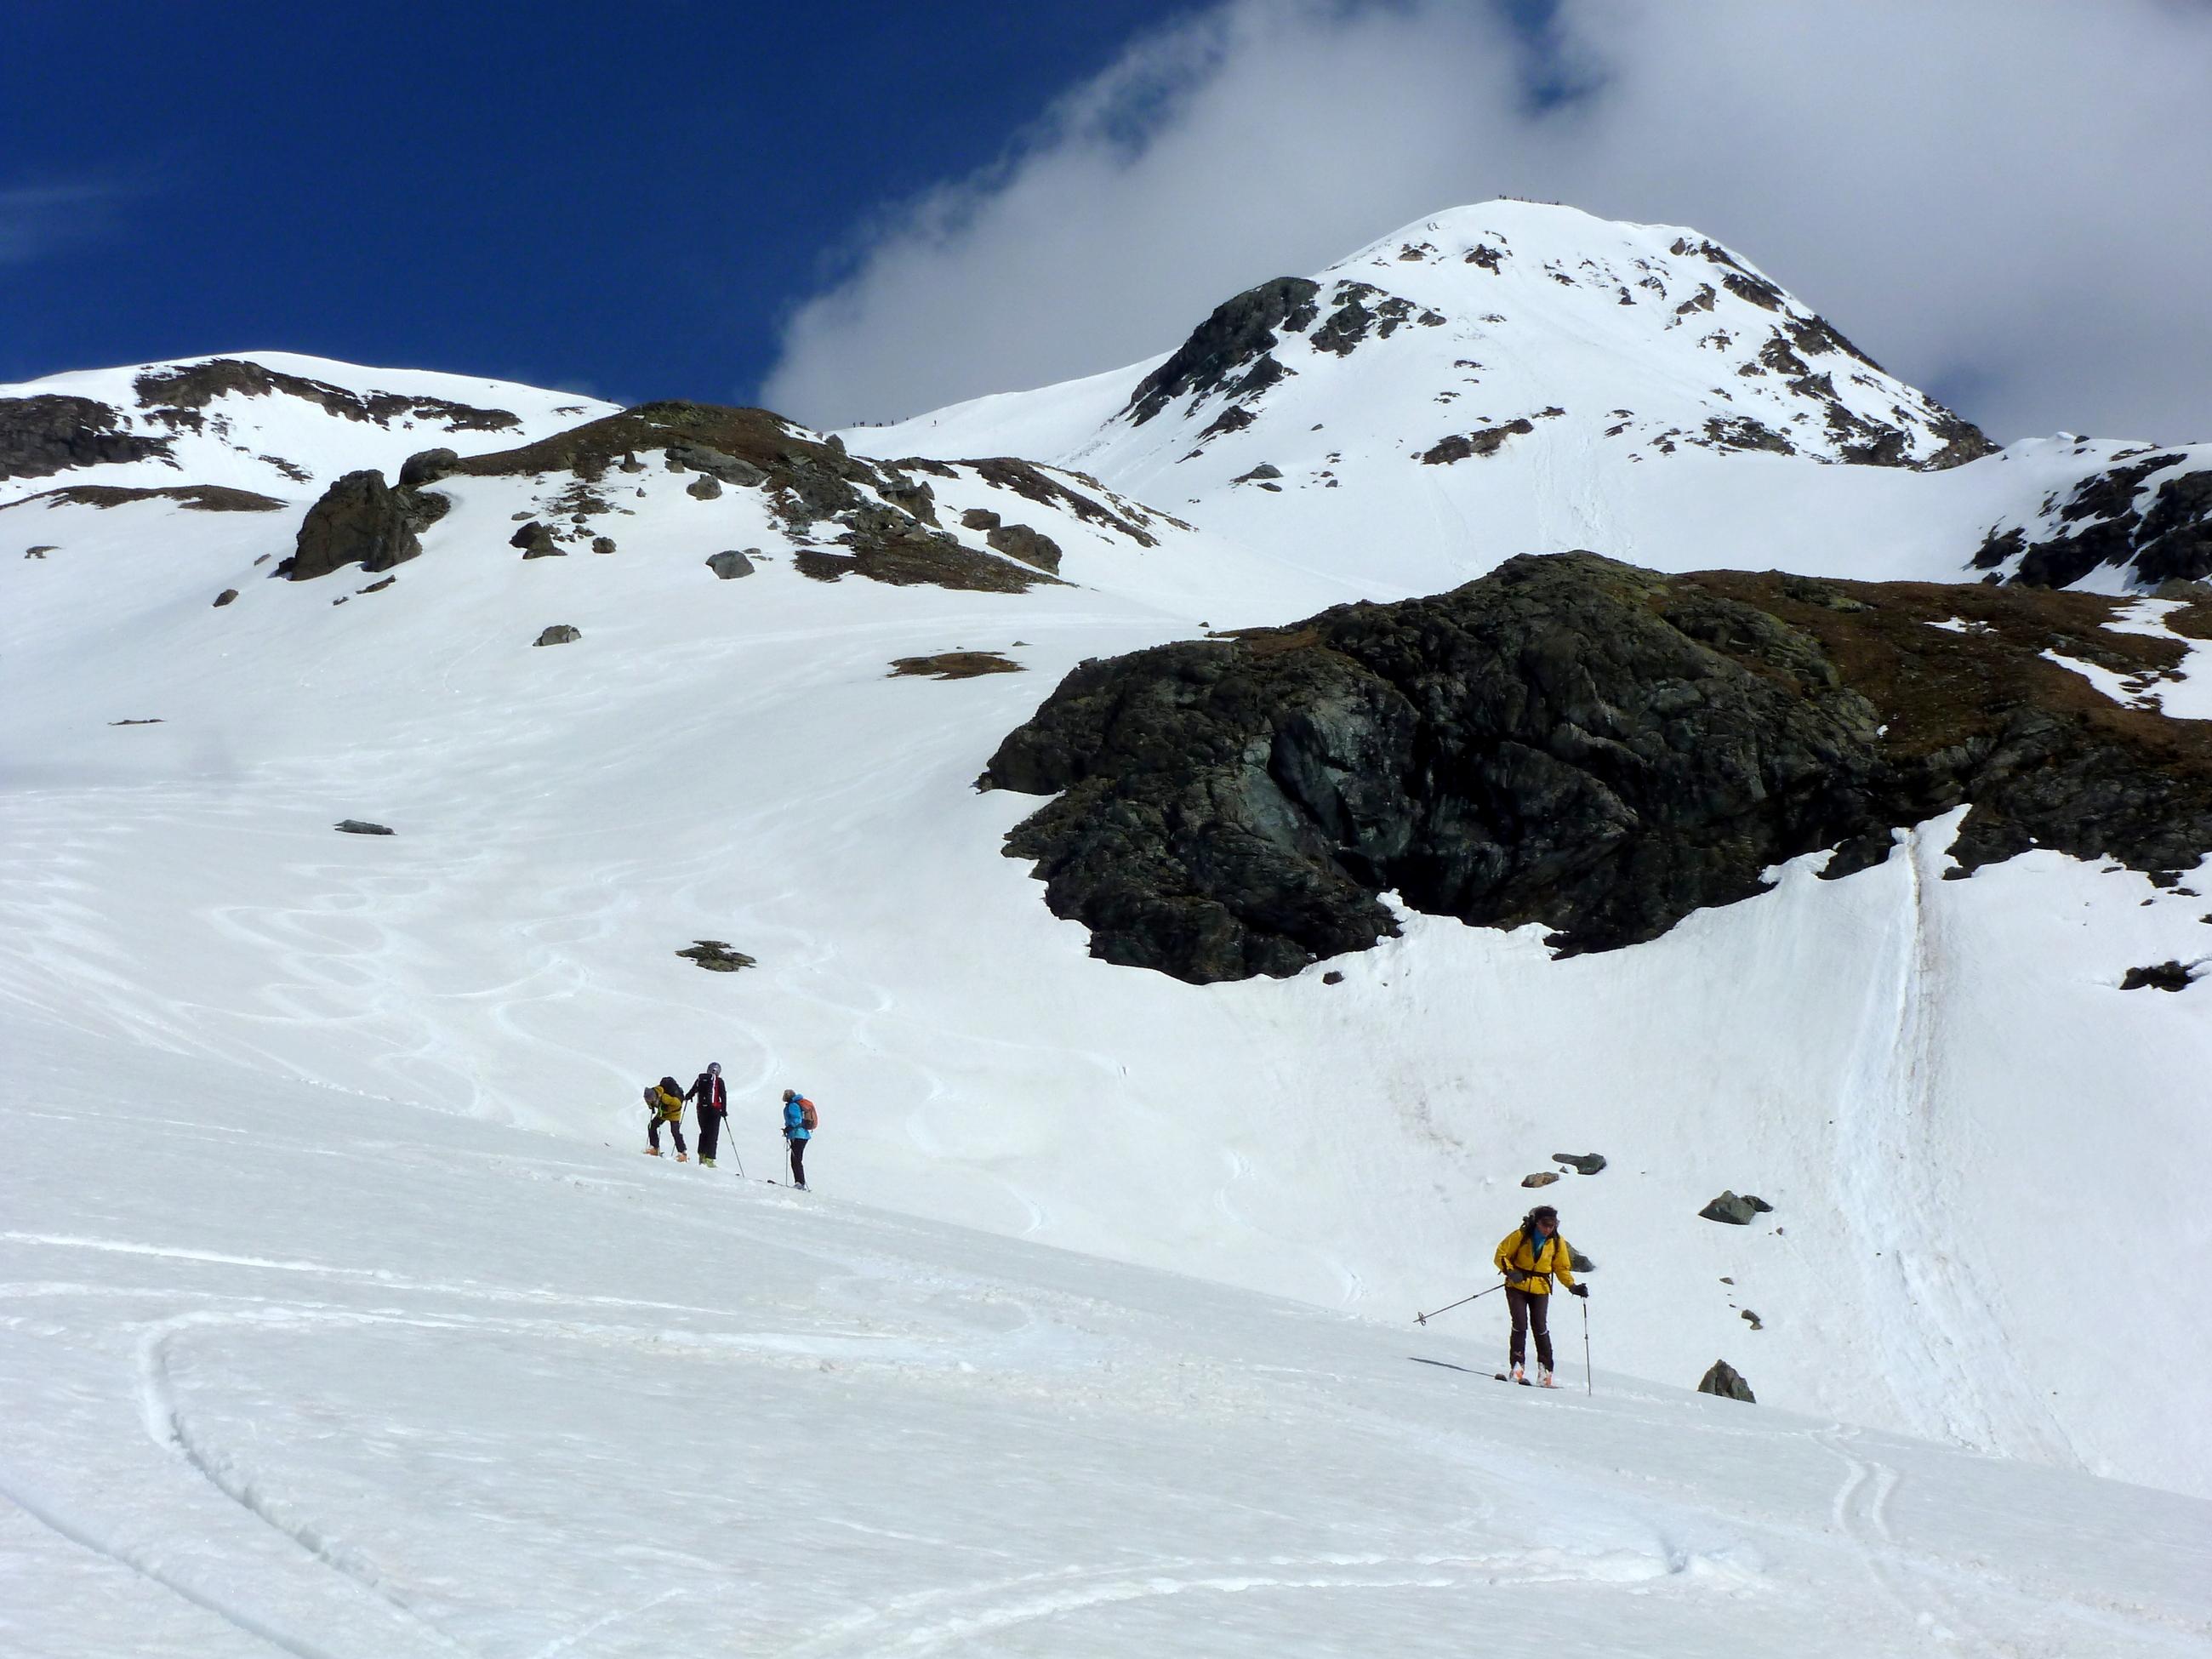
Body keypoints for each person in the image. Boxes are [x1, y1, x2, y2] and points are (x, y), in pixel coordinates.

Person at [1492, 1204, 1586, 1386]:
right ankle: (1517, 1367)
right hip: (1517, 1286)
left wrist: (1572, 1286)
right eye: (1545, 1224)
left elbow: (1561, 1267)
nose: (1548, 1229)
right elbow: (1501, 1254)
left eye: (1552, 1225)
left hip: (1541, 1288)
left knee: (1540, 1327)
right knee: (1520, 1324)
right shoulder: (1521, 1235)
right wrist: (1510, 1272)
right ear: (1537, 1222)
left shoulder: (1557, 1242)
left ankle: (1545, 1373)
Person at [685, 1062, 727, 1167]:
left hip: (701, 1110)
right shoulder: (719, 1081)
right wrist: (723, 1110)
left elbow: (692, 1092)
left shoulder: (700, 1079)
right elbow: (723, 1096)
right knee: (713, 1134)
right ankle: (710, 1159)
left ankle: (702, 1156)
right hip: (714, 1110)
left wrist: (687, 1097)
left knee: (704, 1133)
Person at [643, 1075, 687, 1160]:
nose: (648, 1101)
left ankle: (683, 1153)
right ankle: (654, 1148)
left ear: (653, 1097)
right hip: (663, 1113)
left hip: (674, 1113)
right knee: (652, 1126)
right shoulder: (652, 1095)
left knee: (675, 1131)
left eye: (649, 1100)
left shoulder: (665, 1097)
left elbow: (678, 1104)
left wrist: (667, 1109)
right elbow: (652, 1104)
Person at [781, 1086, 813, 1189]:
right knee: (796, 1159)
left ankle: (800, 1183)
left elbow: (797, 1119)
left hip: (798, 1134)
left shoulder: (793, 1105)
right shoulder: (794, 1104)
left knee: (796, 1159)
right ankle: (799, 1182)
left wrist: (789, 1127)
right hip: (800, 1135)